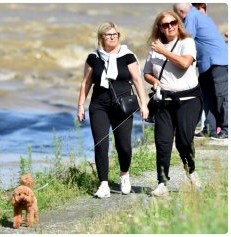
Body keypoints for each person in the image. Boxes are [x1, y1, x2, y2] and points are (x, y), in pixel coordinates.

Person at [77, 22, 148, 198]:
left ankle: (124, 174)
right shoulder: (94, 57)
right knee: (101, 144)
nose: (112, 37)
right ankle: (103, 184)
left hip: (123, 106)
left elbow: (138, 81)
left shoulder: (128, 56)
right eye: (108, 34)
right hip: (99, 105)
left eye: (115, 34)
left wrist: (144, 104)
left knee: (124, 145)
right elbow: (86, 82)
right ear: (101, 37)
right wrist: (80, 105)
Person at [143, 11, 203, 196]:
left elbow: (184, 64)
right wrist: (154, 81)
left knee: (184, 140)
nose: (170, 26)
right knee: (162, 142)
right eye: (165, 24)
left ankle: (191, 172)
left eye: (173, 23)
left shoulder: (187, 42)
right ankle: (162, 183)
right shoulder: (154, 49)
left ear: (178, 24)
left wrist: (163, 51)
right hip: (164, 101)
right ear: (159, 28)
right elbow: (146, 73)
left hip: (188, 100)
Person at [174, 3, 228, 139]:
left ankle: (226, 129)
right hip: (206, 63)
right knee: (206, 96)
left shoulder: (191, 16)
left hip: (217, 61)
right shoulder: (199, 15)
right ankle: (210, 129)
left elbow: (187, 39)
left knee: (221, 96)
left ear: (180, 12)